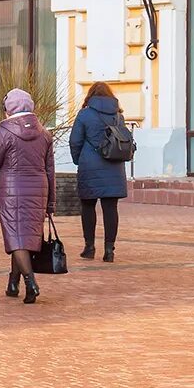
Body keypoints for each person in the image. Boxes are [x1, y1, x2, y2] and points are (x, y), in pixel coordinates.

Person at [0, 88, 54, 304]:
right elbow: (50, 170)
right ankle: (13, 283)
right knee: (22, 236)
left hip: (12, 190)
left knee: (16, 237)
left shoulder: (5, 132)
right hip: (38, 190)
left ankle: (30, 282)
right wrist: (51, 201)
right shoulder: (44, 133)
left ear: (8, 110)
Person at [68, 81, 129, 262]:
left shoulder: (85, 114)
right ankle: (109, 250)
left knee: (88, 206)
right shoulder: (118, 116)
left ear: (91, 96)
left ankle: (89, 247)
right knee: (111, 208)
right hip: (114, 167)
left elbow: (75, 141)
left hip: (90, 165)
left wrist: (79, 160)